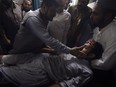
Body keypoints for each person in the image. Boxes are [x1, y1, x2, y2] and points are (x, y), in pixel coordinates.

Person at [0, 0, 92, 87]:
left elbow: (42, 41)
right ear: (44, 6)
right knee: (4, 62)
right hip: (23, 52)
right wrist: (70, 51)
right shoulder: (33, 18)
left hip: (39, 62)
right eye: (53, 11)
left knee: (5, 74)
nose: (54, 15)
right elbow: (48, 39)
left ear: (91, 55)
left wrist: (51, 51)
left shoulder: (85, 69)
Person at [83, 0, 116, 87]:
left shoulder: (114, 34)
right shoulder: (98, 26)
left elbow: (105, 65)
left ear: (108, 16)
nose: (91, 16)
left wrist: (85, 58)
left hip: (101, 76)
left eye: (95, 14)